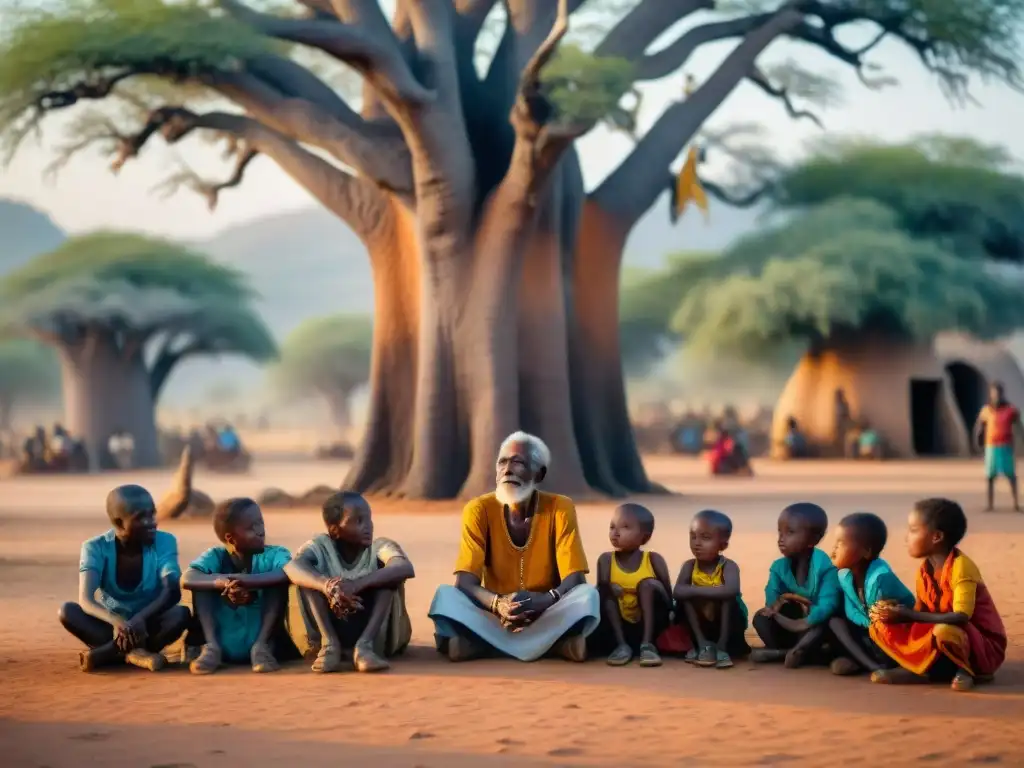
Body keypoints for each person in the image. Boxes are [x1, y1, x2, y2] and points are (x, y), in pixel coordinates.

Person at [429, 431, 601, 662]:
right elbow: (465, 582)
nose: (507, 470)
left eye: (518, 462)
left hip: (547, 610)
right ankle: (556, 647)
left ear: (538, 474)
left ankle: (479, 646)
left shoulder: (560, 507)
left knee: (588, 596)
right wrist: (497, 604)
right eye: (502, 463)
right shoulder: (478, 509)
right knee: (445, 596)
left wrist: (546, 599)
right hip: (495, 614)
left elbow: (575, 577)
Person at [870, 498, 1007, 692]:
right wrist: (895, 612)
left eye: (913, 530)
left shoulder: (961, 567)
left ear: (936, 537)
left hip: (980, 646)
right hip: (943, 633)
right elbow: (922, 612)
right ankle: (920, 668)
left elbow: (961, 617)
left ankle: (968, 670)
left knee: (944, 631)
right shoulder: (925, 570)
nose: (906, 538)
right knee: (879, 623)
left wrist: (908, 615)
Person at [58, 485, 190, 672]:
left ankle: (113, 652)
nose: (151, 522)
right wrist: (117, 622)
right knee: (67, 611)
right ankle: (134, 653)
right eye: (141, 518)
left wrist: (139, 619)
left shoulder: (164, 541)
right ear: (119, 523)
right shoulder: (95, 547)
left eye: (152, 515)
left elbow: (172, 590)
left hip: (149, 621)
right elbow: (87, 598)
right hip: (111, 620)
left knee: (180, 614)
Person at [285, 491, 414, 674]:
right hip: (332, 623)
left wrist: (355, 586)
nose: (368, 526)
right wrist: (328, 587)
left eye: (369, 519)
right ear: (335, 530)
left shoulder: (380, 546)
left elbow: (404, 567)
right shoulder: (320, 546)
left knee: (388, 579)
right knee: (307, 581)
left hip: (373, 631)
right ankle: (329, 645)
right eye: (358, 521)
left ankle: (365, 647)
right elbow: (293, 566)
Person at [182, 497, 293, 675]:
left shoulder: (275, 554)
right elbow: (187, 578)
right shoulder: (216, 556)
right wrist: (224, 583)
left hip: (263, 641)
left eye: (261, 523)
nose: (260, 531)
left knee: (278, 581)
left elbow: (286, 573)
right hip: (223, 640)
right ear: (230, 539)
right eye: (251, 528)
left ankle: (262, 647)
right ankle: (211, 647)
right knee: (202, 582)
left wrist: (244, 582)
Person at [751, 502, 841, 667]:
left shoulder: (825, 568)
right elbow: (772, 595)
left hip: (813, 625)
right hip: (791, 625)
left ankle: (785, 653)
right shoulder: (779, 567)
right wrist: (775, 605)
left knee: (828, 620)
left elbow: (828, 604)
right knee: (761, 617)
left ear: (813, 539)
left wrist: (805, 621)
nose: (781, 539)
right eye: (780, 531)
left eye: (790, 532)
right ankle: (792, 651)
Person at [826, 512, 914, 676]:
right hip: (869, 630)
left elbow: (902, 611)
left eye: (841, 543)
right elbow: (851, 610)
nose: (834, 549)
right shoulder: (844, 576)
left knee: (882, 620)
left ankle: (876, 663)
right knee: (834, 622)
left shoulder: (881, 578)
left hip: (894, 638)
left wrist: (875, 620)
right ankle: (871, 664)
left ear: (866, 552)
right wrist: (867, 622)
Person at [592, 503, 672, 667]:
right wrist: (609, 588)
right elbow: (600, 593)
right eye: (612, 526)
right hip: (620, 626)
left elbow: (668, 599)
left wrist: (648, 587)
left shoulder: (653, 560)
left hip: (649, 624)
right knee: (606, 593)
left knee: (647, 585)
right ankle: (621, 646)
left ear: (645, 537)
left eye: (625, 527)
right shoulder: (606, 560)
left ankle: (648, 645)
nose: (616, 533)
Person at [673, 509, 750, 669]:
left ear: (723, 545)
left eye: (705, 538)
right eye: (693, 536)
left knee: (726, 599)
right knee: (686, 601)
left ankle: (722, 647)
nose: (697, 543)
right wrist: (703, 592)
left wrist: (694, 590)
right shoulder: (689, 566)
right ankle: (703, 645)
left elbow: (731, 590)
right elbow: (678, 592)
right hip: (701, 625)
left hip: (728, 624)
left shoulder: (728, 566)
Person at [973, 382, 1021, 511]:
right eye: (994, 392)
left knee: (1011, 475)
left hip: (1006, 446)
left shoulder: (1010, 409)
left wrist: (1020, 441)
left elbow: (1018, 426)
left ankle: (1016, 504)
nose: (996, 395)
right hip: (991, 447)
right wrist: (978, 441)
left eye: (998, 392)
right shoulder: (986, 410)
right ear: (991, 394)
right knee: (990, 476)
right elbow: (980, 427)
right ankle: (990, 505)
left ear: (1002, 393)